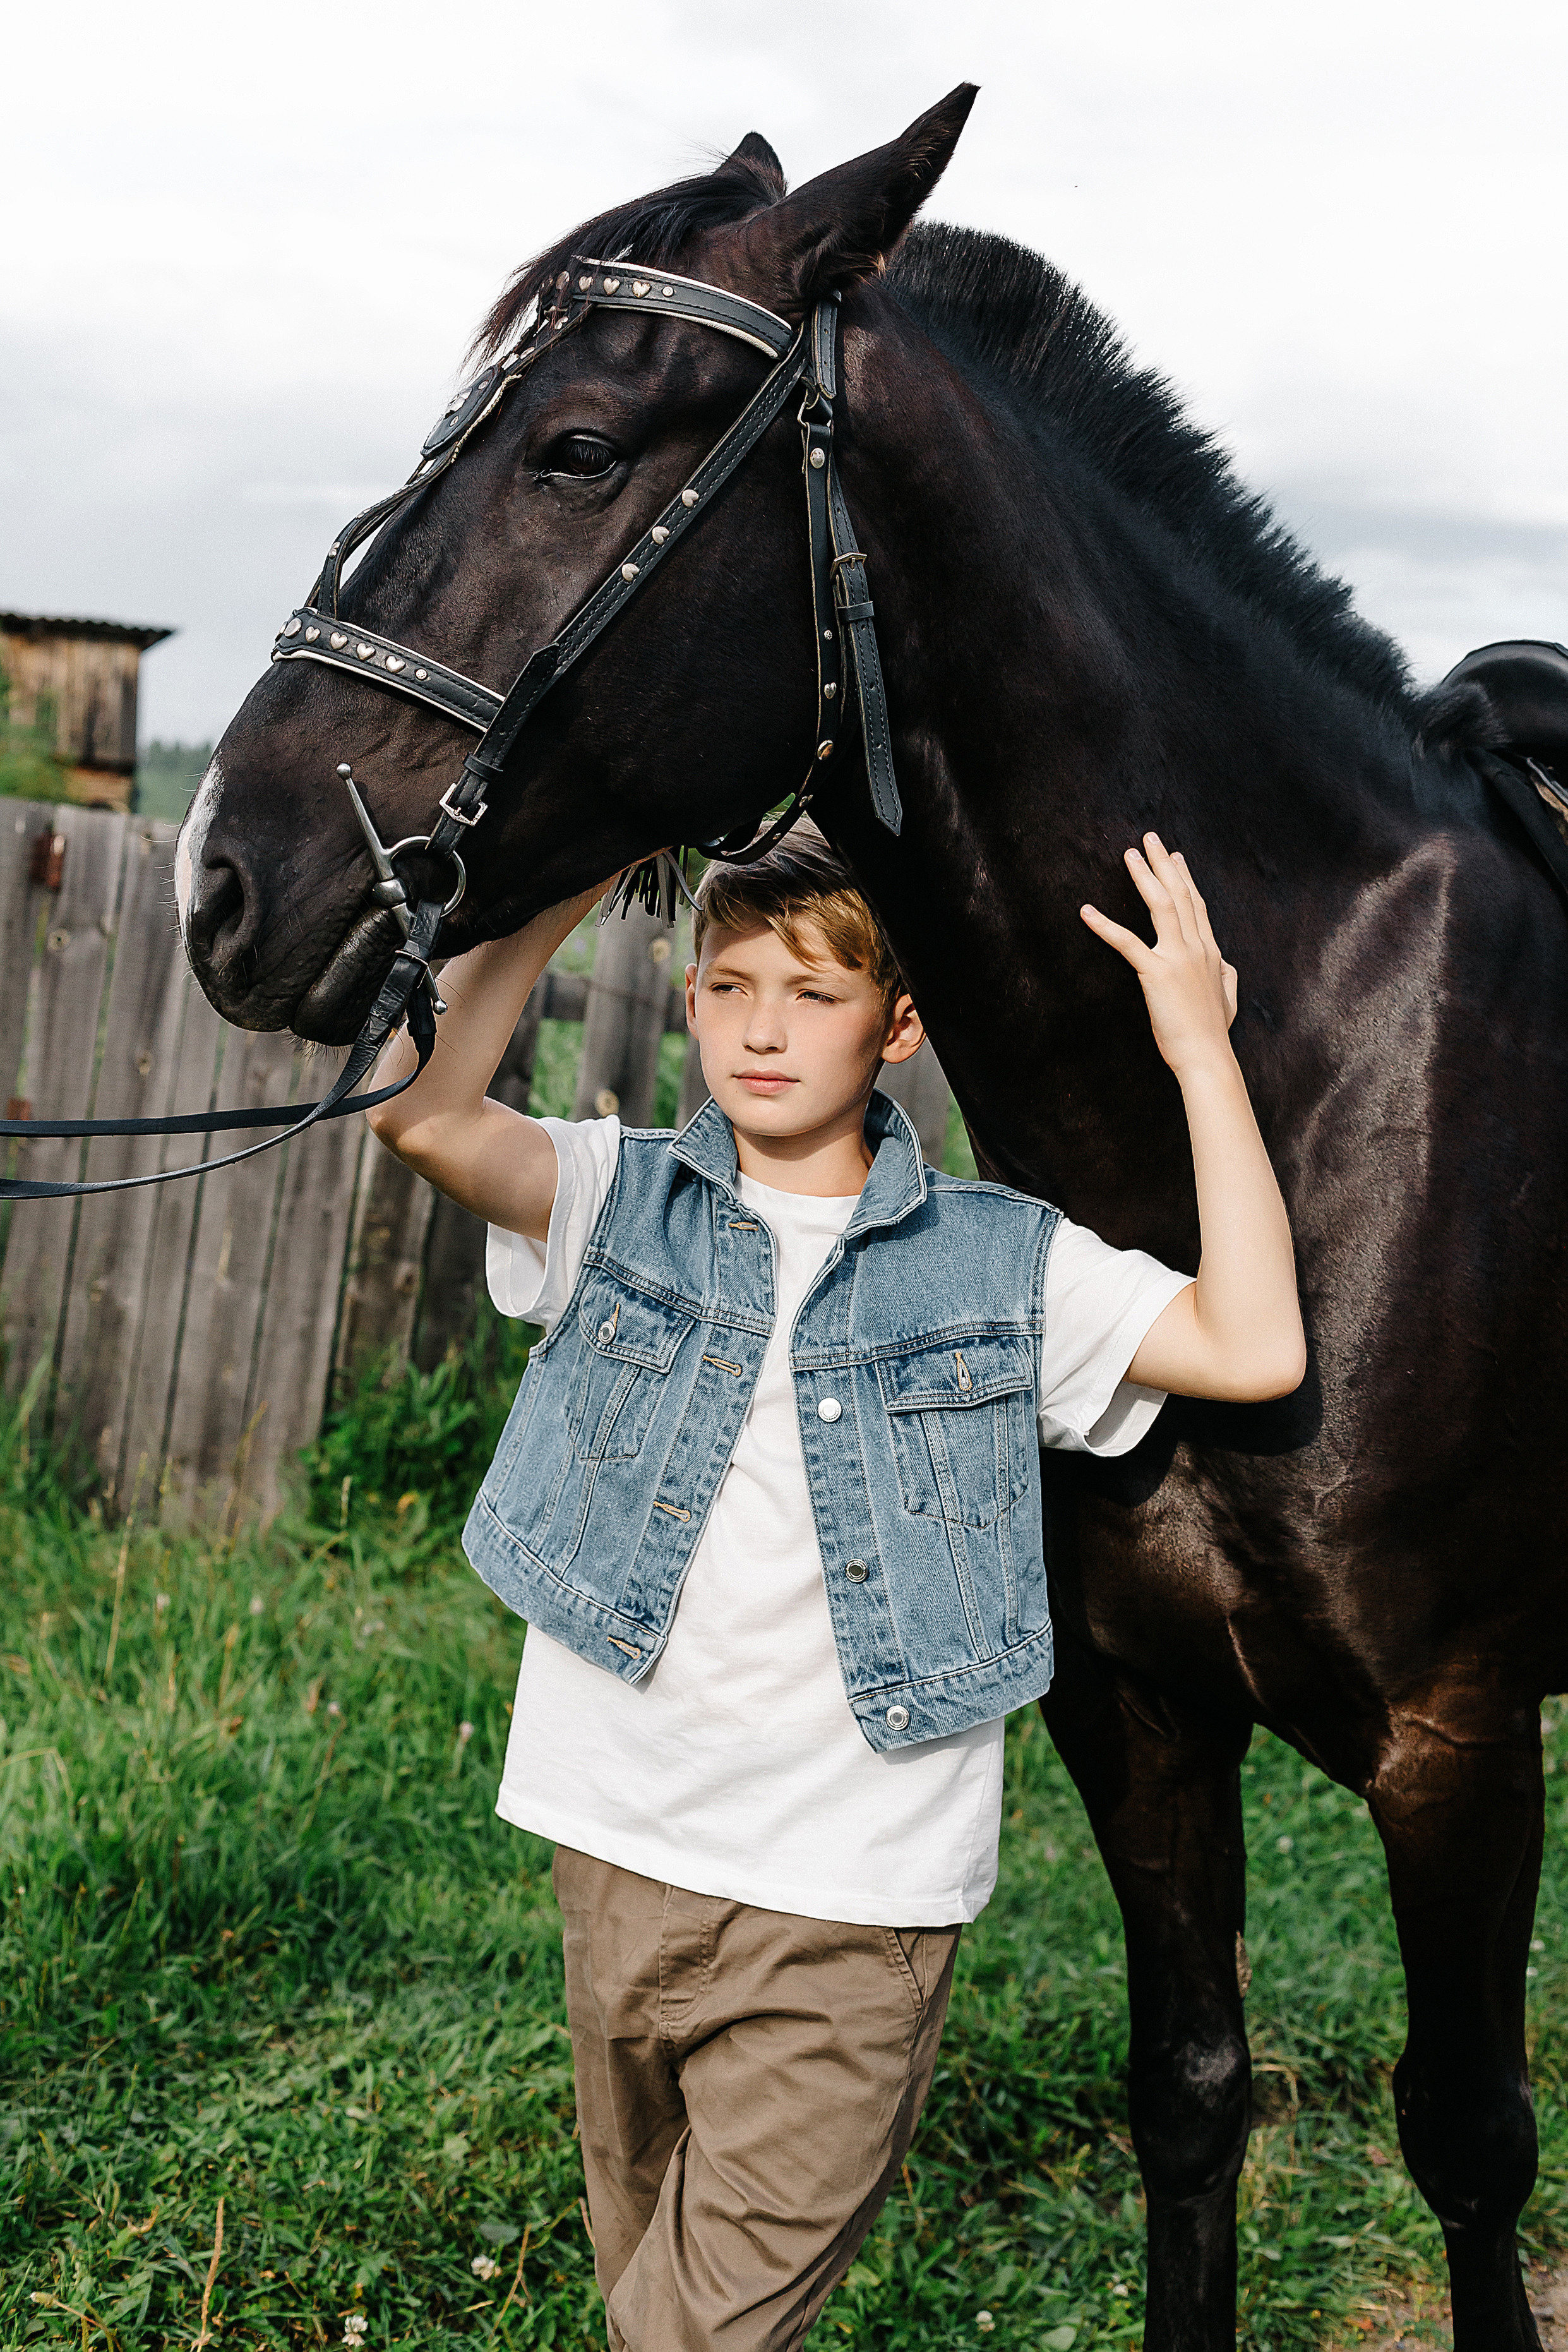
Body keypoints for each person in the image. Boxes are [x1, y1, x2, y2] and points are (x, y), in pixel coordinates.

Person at [366, 823, 1303, 2352]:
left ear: (899, 1022)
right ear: (684, 1000)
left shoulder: (1000, 1264)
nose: (761, 1028)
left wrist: (1201, 1048)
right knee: (648, 2305)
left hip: (849, 1911)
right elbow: (421, 1111)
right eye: (729, 986)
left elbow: (1255, 1343)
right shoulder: (618, 1199)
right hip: (614, 1858)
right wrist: (562, 885)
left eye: (810, 992)